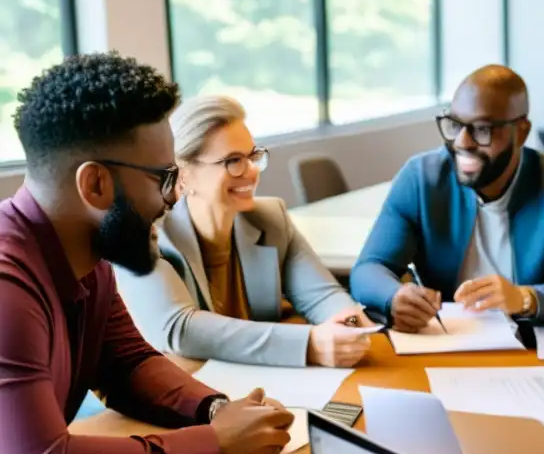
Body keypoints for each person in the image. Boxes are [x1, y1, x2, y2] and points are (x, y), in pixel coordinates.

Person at [0, 52, 294, 454]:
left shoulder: (85, 255)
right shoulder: (8, 288)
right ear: (95, 184)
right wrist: (214, 444)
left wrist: (216, 411)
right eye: (163, 178)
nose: (174, 197)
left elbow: (128, 363)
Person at [115, 95, 370, 368]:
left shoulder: (270, 219)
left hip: (263, 385)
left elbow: (322, 294)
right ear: (184, 174)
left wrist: (347, 321)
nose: (251, 171)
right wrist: (307, 345)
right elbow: (180, 328)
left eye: (253, 156)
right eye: (233, 161)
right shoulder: (144, 235)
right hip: (187, 391)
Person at [350, 65, 544, 331]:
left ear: (521, 131)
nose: (463, 142)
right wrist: (393, 296)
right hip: (449, 340)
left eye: (482, 129)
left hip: (536, 346)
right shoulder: (421, 178)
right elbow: (368, 269)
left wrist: (524, 298)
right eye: (455, 125)